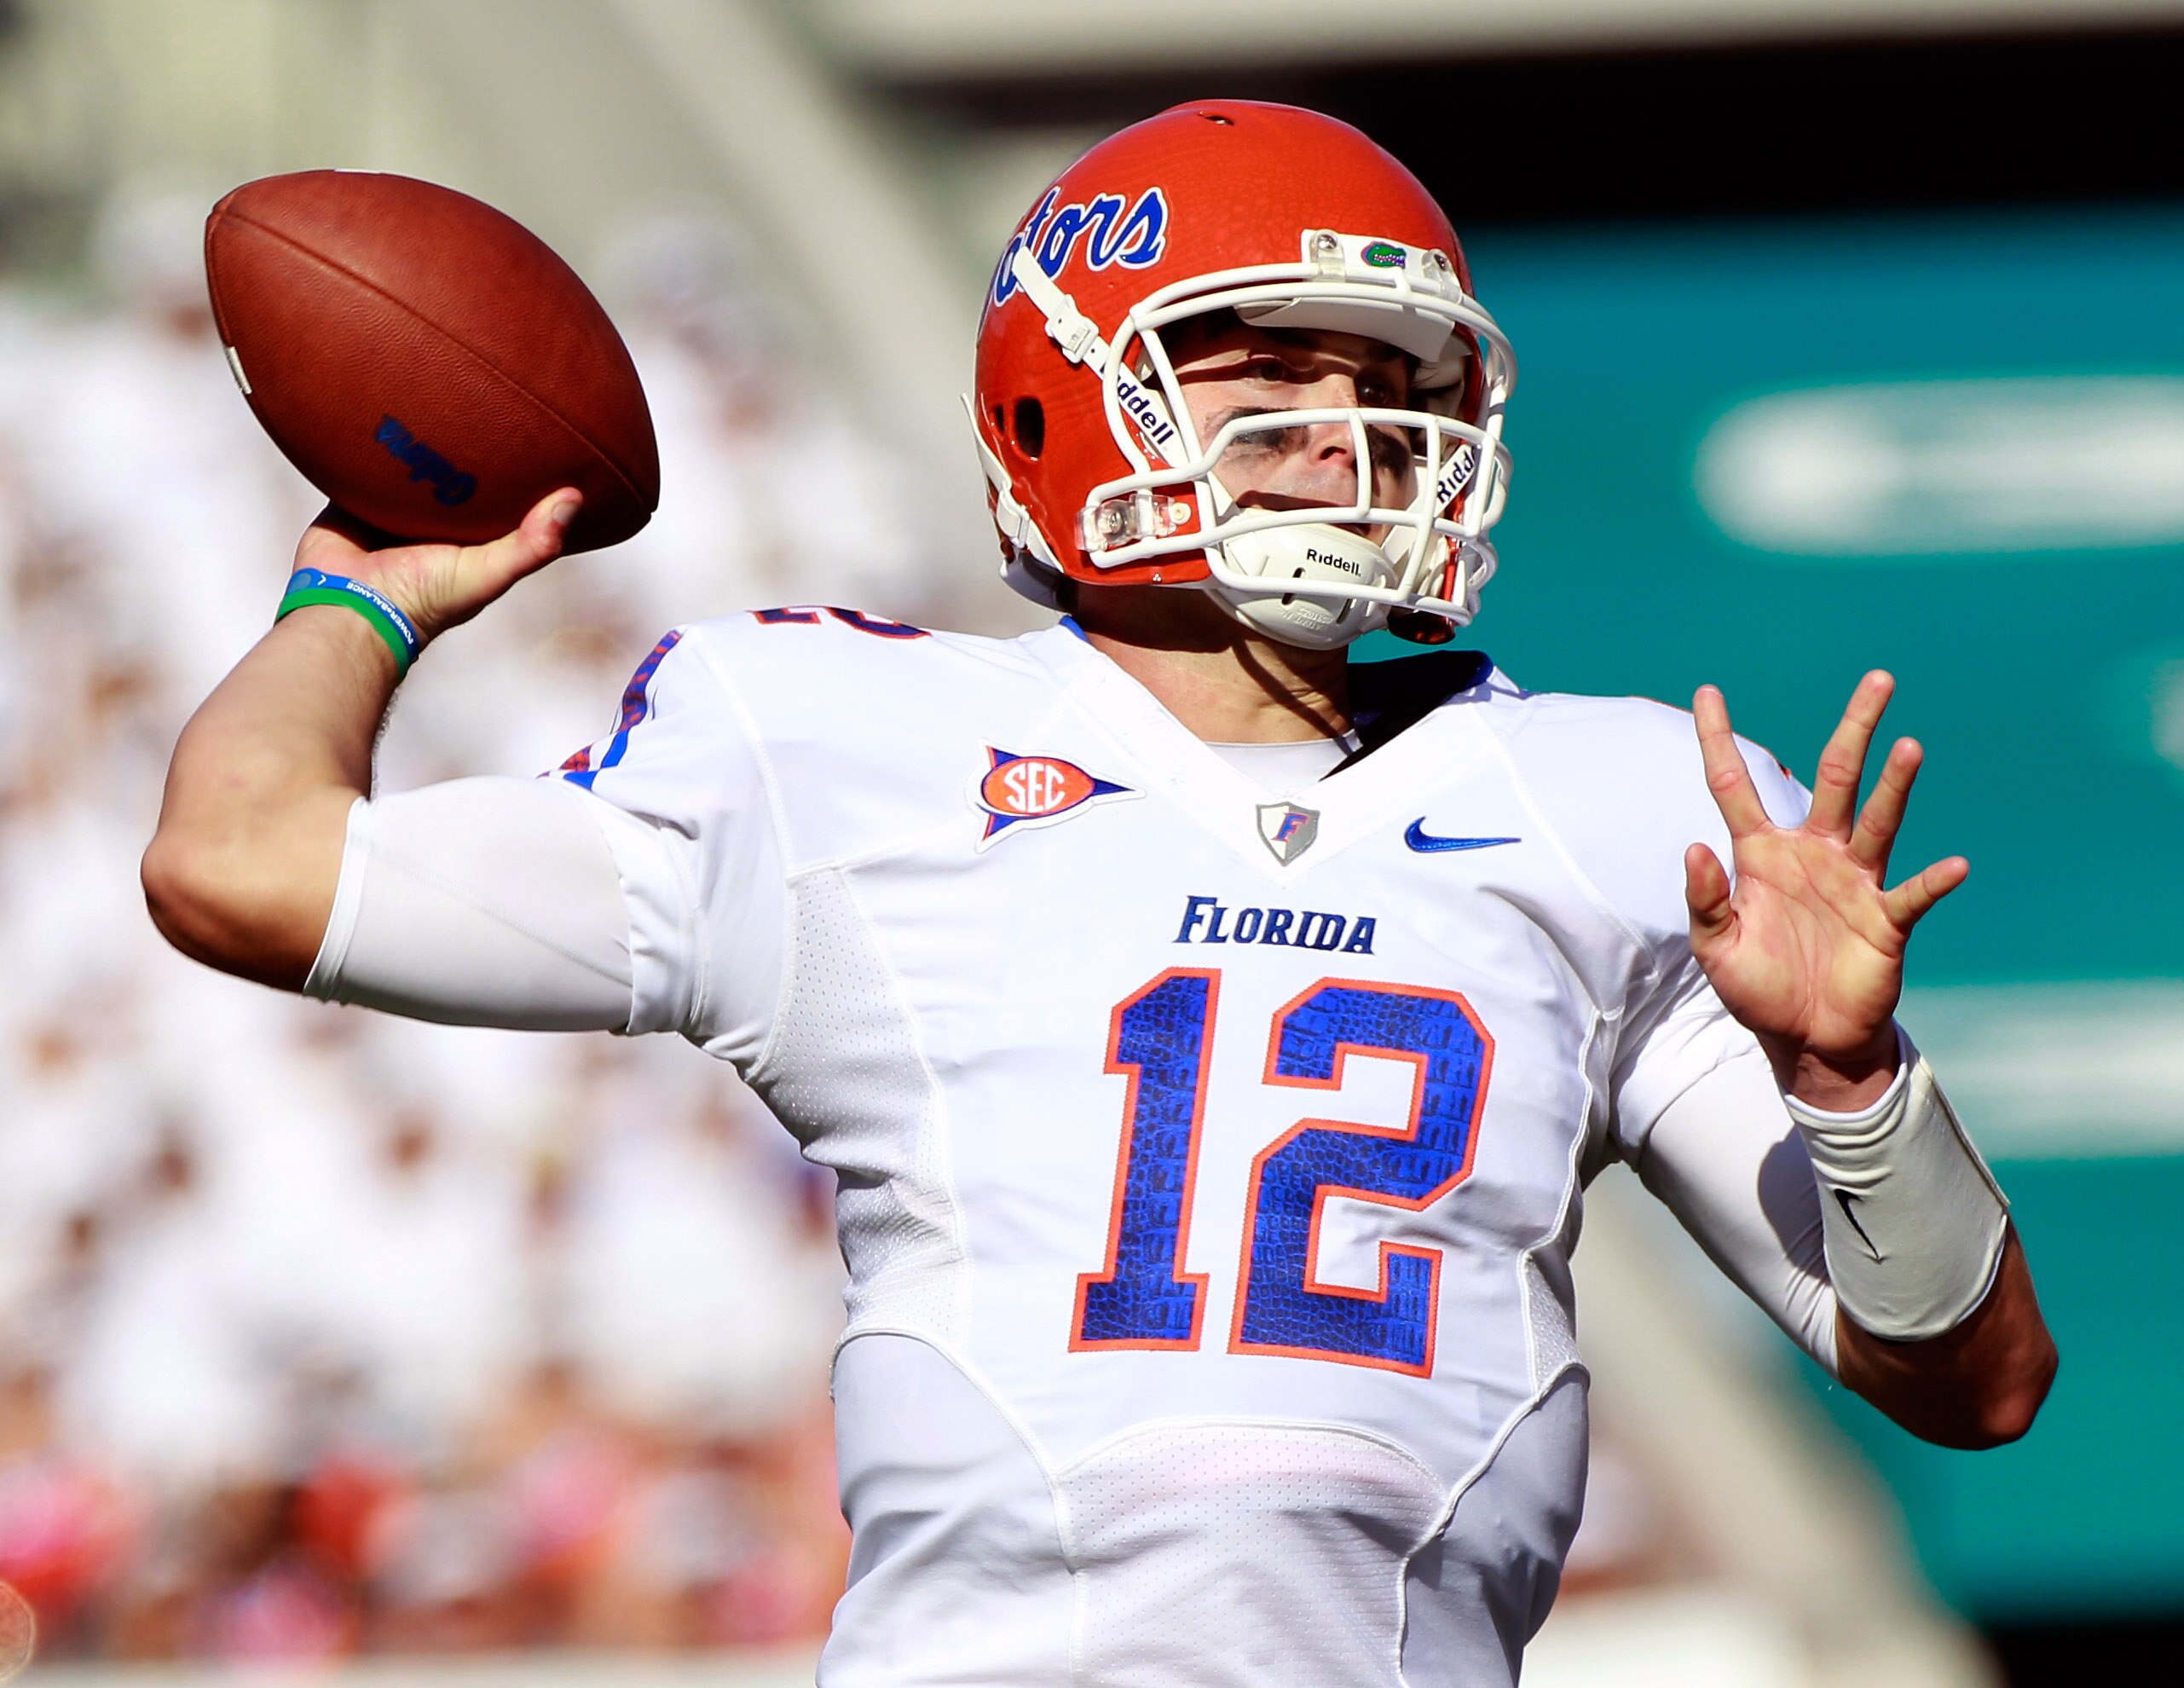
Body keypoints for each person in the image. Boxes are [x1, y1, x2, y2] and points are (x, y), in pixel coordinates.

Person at [142, 102, 2055, 1686]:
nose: (1346, 419)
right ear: (1068, 401)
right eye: (1275, 358)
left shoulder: (1628, 802)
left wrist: (1853, 1087)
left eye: (1388, 372)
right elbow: (242, 865)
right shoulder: (833, 741)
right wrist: (364, 589)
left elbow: (1972, 1383)